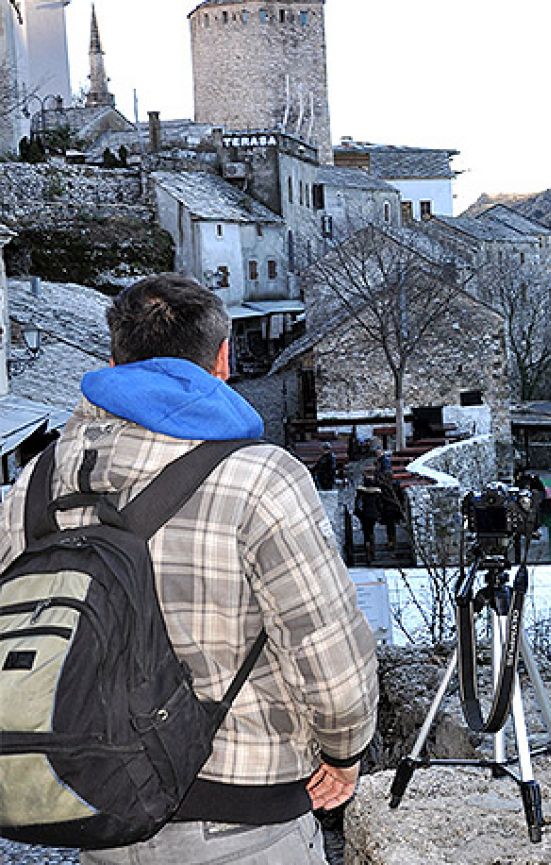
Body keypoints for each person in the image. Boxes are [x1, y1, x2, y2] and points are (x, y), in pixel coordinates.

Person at [0, 275, 379, 864]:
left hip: (97, 810)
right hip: (243, 816)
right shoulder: (261, 479)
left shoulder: (35, 482)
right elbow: (326, 653)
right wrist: (343, 751)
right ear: (221, 359)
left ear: (113, 359)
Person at [354, 480, 382, 561]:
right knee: (371, 531)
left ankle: (368, 551)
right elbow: (379, 506)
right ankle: (372, 551)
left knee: (366, 533)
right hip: (373, 515)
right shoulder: (376, 495)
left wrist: (359, 514)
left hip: (364, 516)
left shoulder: (361, 495)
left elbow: (357, 506)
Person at [377, 472, 404, 551]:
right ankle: (393, 541)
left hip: (388, 509)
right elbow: (401, 497)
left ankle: (391, 541)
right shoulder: (395, 486)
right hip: (395, 509)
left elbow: (381, 499)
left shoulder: (382, 487)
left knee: (390, 526)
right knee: (392, 526)